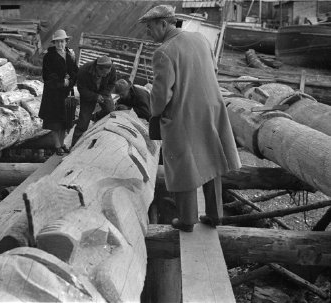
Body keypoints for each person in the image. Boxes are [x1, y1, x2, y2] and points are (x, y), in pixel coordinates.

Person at [139, 5, 241, 232]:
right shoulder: (201, 39)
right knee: (212, 158)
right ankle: (215, 215)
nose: (147, 32)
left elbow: (160, 97)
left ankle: (187, 219)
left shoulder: (163, 52)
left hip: (184, 115)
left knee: (183, 165)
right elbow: (211, 70)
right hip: (211, 109)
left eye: (150, 27)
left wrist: (154, 111)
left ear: (164, 24)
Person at [38, 29, 78, 155]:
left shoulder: (69, 55)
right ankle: (57, 146)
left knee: (64, 122)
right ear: (54, 43)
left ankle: (62, 144)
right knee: (55, 122)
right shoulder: (49, 57)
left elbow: (75, 72)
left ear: (66, 42)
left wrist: (69, 83)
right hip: (53, 94)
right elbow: (47, 76)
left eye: (62, 42)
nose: (60, 45)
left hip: (66, 93)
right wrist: (61, 82)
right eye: (57, 42)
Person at [70, 55, 117, 147]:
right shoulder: (83, 71)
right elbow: (81, 89)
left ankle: (95, 118)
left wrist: (103, 94)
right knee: (83, 122)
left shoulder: (111, 69)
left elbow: (112, 83)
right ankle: (74, 146)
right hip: (88, 94)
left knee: (110, 111)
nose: (106, 75)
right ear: (98, 69)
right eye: (104, 74)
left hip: (104, 92)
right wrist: (95, 97)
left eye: (108, 73)